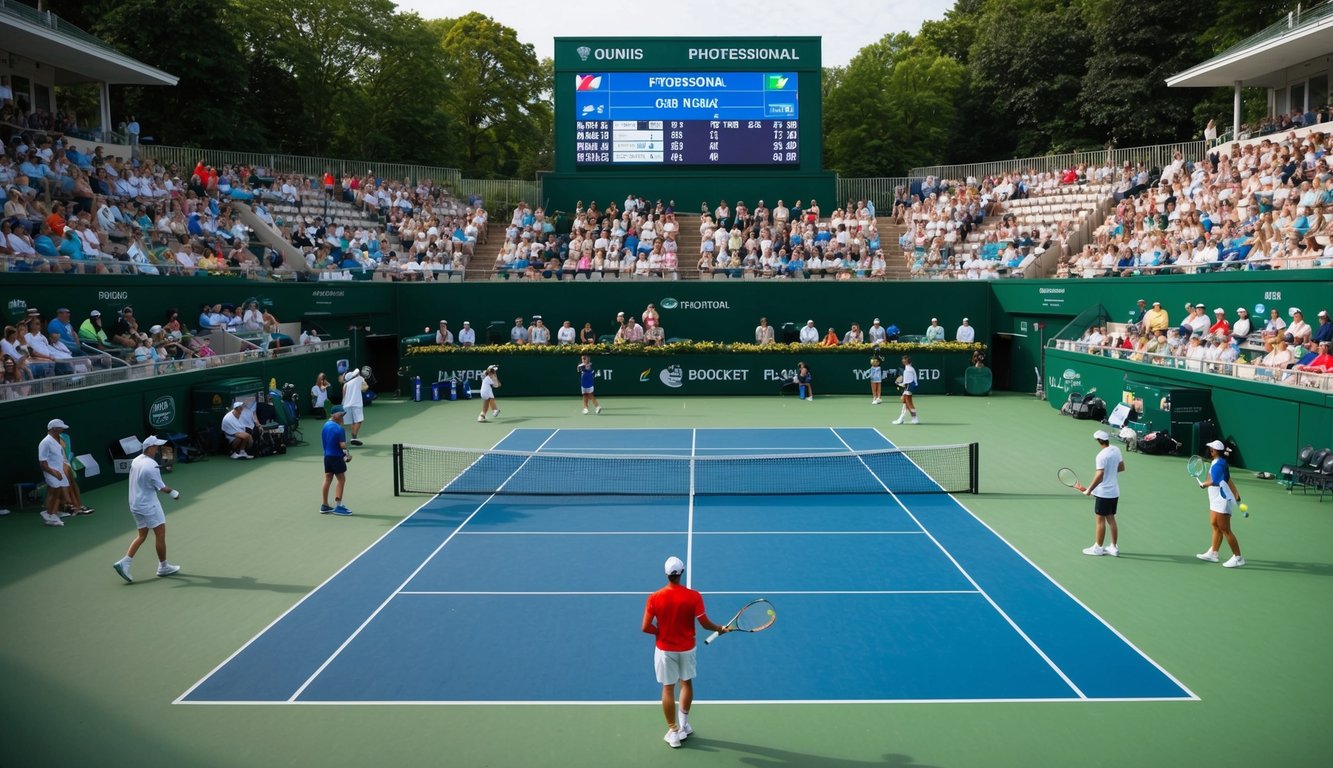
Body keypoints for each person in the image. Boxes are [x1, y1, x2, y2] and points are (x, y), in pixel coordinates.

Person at [641, 556, 728, 749]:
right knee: (686, 683)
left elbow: (645, 627)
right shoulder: (694, 596)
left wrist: (660, 632)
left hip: (665, 650)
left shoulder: (655, 597)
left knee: (668, 688)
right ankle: (684, 725)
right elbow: (704, 623)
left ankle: (673, 732)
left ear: (666, 574)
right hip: (687, 648)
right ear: (682, 573)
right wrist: (719, 628)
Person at [112, 435, 182, 582]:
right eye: (156, 447)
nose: (157, 450)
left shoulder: (137, 460)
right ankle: (163, 567)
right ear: (150, 448)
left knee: (142, 535)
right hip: (148, 505)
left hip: (135, 504)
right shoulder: (151, 467)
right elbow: (162, 488)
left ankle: (125, 563)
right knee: (160, 534)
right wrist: (175, 493)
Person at [1076, 430, 1125, 557]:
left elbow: (1100, 475)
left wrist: (1089, 490)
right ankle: (1113, 547)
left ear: (1098, 440)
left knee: (1100, 521)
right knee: (1111, 519)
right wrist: (1110, 472)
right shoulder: (1116, 450)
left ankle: (1098, 547)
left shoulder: (1101, 456)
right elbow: (1121, 467)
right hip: (1114, 492)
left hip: (1104, 493)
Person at [1196, 439, 1244, 568]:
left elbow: (1216, 481)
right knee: (1215, 525)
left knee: (1225, 529)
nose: (1210, 450)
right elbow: (1227, 478)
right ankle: (1214, 553)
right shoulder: (1220, 462)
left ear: (1216, 451)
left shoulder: (1218, 464)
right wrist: (1236, 493)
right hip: (1215, 499)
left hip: (1222, 499)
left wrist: (1204, 484)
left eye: (1211, 448)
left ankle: (1238, 557)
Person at [320, 406, 354, 515]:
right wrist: (347, 456)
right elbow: (342, 445)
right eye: (341, 415)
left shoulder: (325, 425)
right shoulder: (339, 429)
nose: (342, 417)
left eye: (343, 415)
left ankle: (324, 505)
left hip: (327, 457)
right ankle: (339, 506)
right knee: (341, 479)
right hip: (336, 457)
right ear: (334, 415)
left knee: (328, 478)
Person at [38, 418, 72, 526]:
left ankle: (55, 511)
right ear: (54, 429)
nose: (62, 430)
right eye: (60, 428)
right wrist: (54, 473)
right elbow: (42, 463)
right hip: (51, 471)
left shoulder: (57, 441)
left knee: (62, 490)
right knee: (54, 492)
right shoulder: (45, 442)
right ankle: (50, 515)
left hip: (60, 470)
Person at [341, 366, 368, 445]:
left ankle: (351, 439)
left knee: (351, 422)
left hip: (346, 405)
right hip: (357, 404)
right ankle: (354, 436)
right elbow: (365, 388)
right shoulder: (359, 379)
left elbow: (343, 396)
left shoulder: (345, 384)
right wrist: (364, 383)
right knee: (359, 421)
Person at [893, 355, 919, 424]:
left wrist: (899, 384)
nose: (902, 360)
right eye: (903, 359)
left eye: (904, 359)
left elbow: (907, 383)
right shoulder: (909, 368)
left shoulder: (908, 370)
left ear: (906, 361)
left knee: (908, 402)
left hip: (909, 386)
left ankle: (914, 418)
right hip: (910, 386)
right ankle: (902, 418)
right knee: (905, 401)